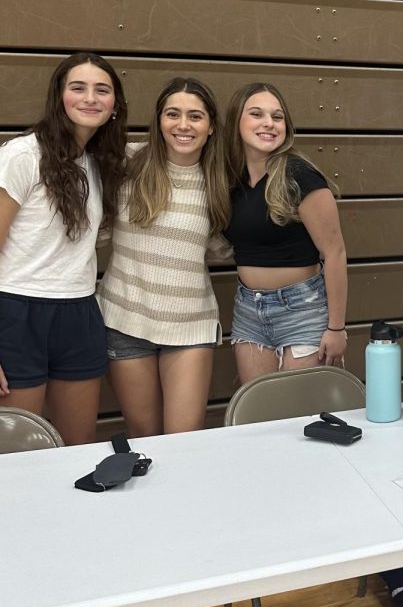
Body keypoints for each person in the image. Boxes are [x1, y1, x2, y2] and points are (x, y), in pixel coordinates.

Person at [0, 53, 127, 444]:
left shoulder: (100, 163)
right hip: (17, 311)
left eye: (101, 90)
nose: (90, 98)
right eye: (78, 88)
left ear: (114, 106)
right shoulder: (22, 155)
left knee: (76, 447)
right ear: (59, 97)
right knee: (17, 452)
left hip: (79, 311)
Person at [98, 78, 229, 436]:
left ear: (211, 125)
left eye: (195, 116)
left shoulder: (220, 181)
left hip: (189, 326)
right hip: (125, 320)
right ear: (159, 120)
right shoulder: (127, 163)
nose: (183, 125)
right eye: (173, 114)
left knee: (183, 444)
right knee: (146, 440)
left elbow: (222, 247)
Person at [224, 83, 348, 383]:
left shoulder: (299, 177)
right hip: (248, 312)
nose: (269, 123)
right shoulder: (227, 178)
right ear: (236, 122)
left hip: (301, 310)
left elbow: (335, 254)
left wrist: (336, 327)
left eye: (277, 117)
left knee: (296, 419)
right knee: (260, 418)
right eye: (256, 114)